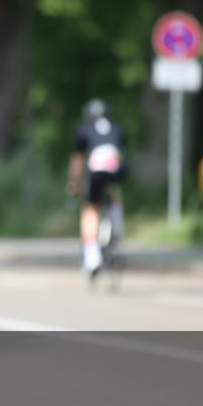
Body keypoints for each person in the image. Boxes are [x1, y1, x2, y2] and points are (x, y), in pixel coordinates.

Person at [67, 99, 127, 279]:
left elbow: (78, 161)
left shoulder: (84, 130)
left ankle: (92, 258)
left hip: (96, 170)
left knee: (91, 208)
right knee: (114, 193)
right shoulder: (117, 128)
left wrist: (74, 184)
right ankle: (116, 226)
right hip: (117, 168)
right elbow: (122, 152)